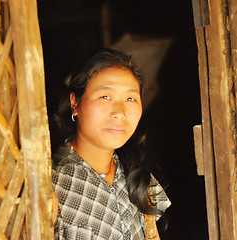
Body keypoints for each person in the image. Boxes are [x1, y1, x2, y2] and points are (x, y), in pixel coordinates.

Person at [51, 48, 171, 239]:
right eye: (105, 96)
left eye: (130, 98)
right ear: (75, 103)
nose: (120, 112)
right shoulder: (52, 184)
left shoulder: (137, 177)